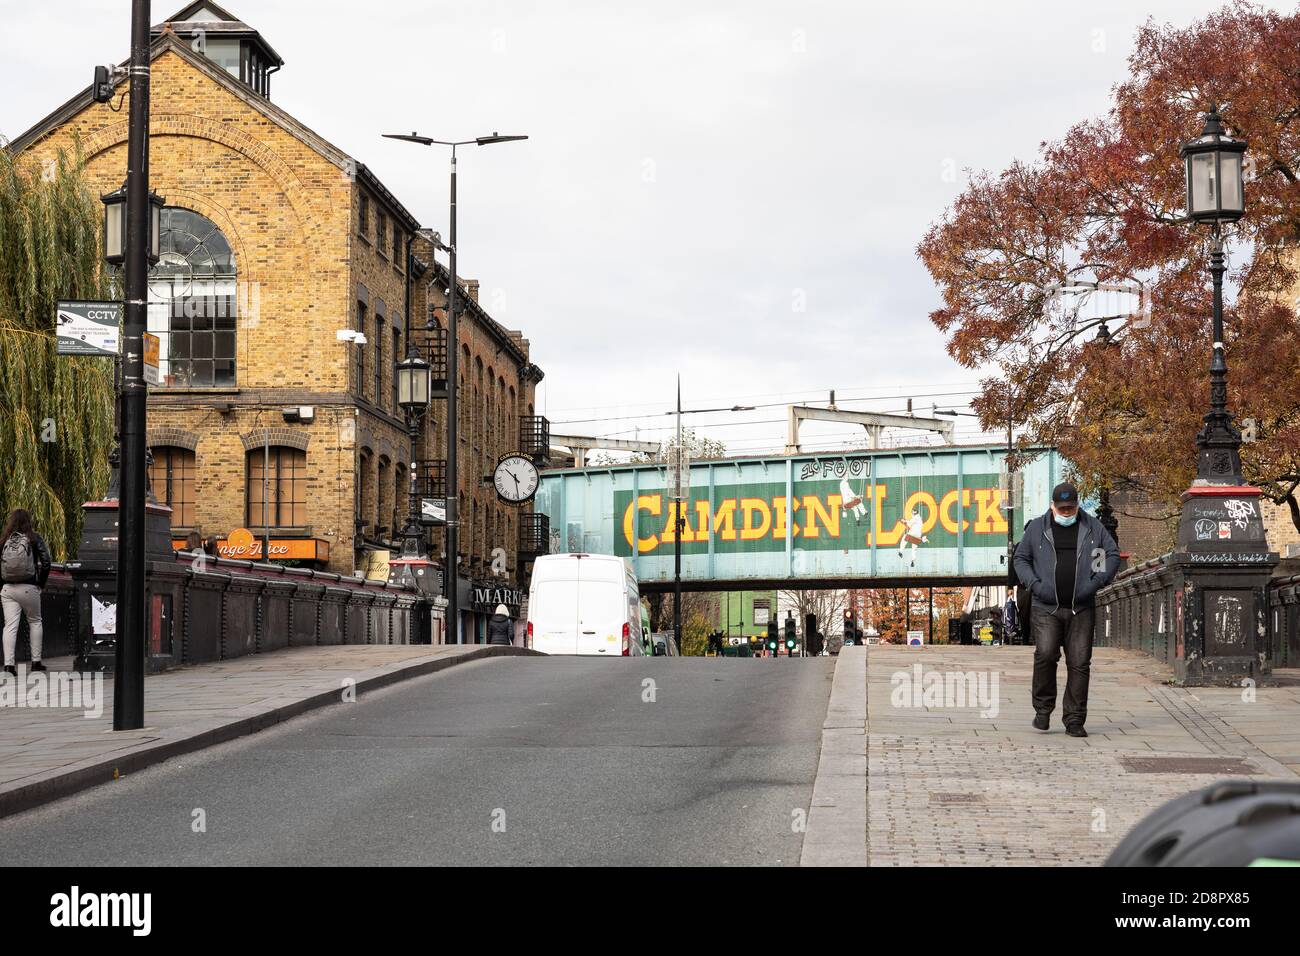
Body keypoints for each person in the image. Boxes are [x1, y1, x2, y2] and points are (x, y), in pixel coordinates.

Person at [1013, 482, 1120, 737]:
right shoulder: (1038, 528)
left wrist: (1096, 581)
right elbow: (1021, 558)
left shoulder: (1093, 526)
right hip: (1045, 606)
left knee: (1080, 662)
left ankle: (1074, 720)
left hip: (1081, 607)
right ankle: (1042, 709)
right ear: (1052, 506)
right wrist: (1035, 584)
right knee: (1046, 654)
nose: (1066, 513)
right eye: (1062, 509)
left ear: (1078, 504)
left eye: (1070, 508)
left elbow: (1111, 554)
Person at [1, 509, 53, 677]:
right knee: (35, 621)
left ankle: (9, 666)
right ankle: (36, 663)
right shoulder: (34, 538)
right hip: (29, 587)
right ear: (28, 521)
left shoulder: (4, 540)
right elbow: (46, 562)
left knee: (10, 626)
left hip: (8, 589)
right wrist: (40, 584)